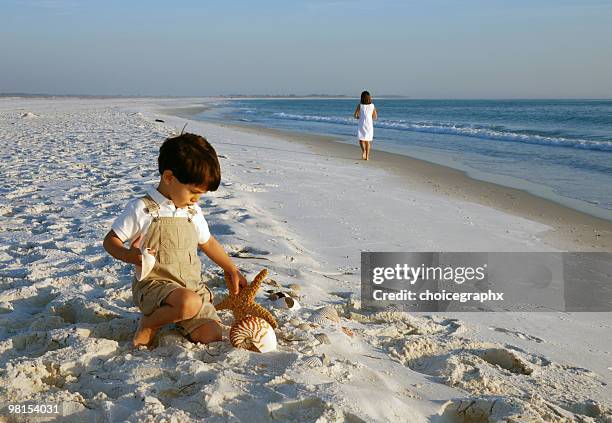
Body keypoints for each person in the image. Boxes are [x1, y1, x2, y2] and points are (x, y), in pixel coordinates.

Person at [103, 133, 248, 348]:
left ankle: (177, 317)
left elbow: (207, 242)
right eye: (193, 192)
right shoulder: (142, 208)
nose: (196, 199)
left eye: (200, 194)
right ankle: (150, 324)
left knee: (211, 335)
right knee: (188, 303)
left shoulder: (192, 211)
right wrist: (129, 255)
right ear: (169, 177)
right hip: (154, 286)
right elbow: (110, 241)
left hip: (190, 287)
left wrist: (232, 269)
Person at [354, 90, 378, 160]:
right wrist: (369, 119)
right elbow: (375, 116)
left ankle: (364, 151)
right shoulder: (372, 105)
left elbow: (355, 115)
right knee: (367, 141)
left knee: (361, 139)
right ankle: (367, 156)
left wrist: (360, 117)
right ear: (369, 97)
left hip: (362, 124)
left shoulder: (360, 105)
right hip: (369, 125)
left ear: (362, 97)